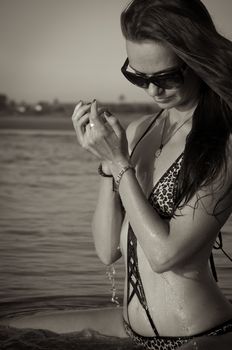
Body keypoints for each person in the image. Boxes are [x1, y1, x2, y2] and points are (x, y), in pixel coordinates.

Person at [72, 0, 232, 348]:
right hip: (131, 330)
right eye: (138, 77)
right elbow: (106, 250)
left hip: (197, 336)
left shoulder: (223, 141)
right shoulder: (140, 130)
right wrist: (105, 163)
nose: (152, 91)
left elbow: (165, 256)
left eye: (166, 77)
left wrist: (120, 163)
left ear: (198, 59)